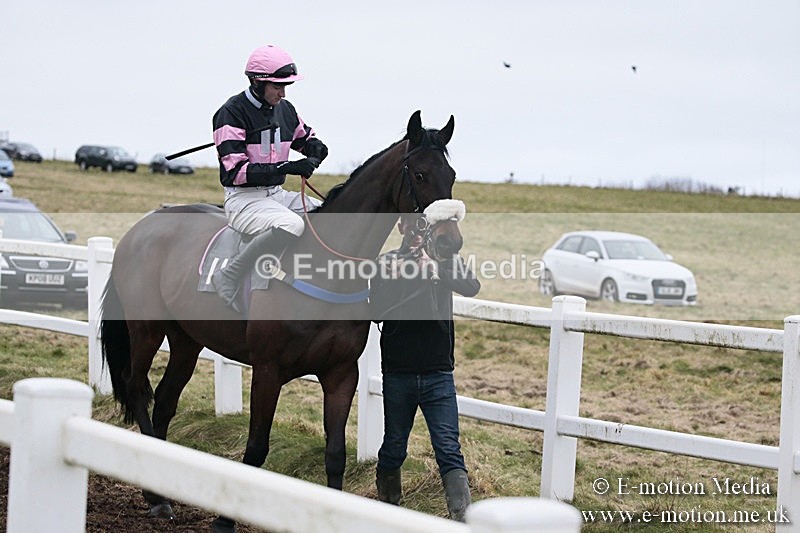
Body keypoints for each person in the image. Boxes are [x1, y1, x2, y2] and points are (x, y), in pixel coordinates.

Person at [370, 214, 481, 522]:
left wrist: (436, 269)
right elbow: (376, 312)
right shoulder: (387, 262)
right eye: (411, 223)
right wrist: (392, 277)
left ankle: (462, 520)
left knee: (448, 448)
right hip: (398, 372)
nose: (417, 231)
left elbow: (472, 285)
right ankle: (388, 515)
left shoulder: (446, 260)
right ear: (401, 227)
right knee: (394, 447)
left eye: (423, 225)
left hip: (438, 373)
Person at [211, 44, 328, 310]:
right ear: (256, 82)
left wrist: (317, 150)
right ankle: (229, 275)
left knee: (329, 216)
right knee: (292, 225)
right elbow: (236, 173)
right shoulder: (231, 112)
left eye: (285, 86)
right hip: (243, 200)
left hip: (276, 196)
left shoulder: (285, 109)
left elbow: (305, 139)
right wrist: (286, 168)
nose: (283, 92)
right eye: (277, 86)